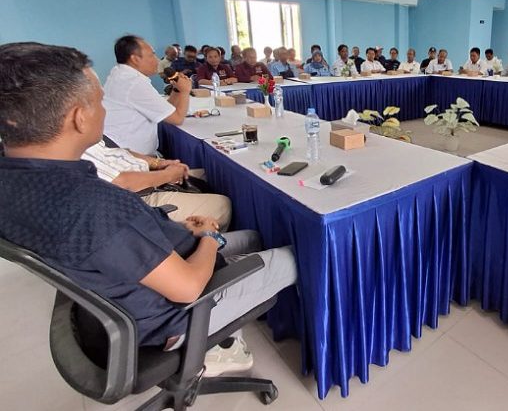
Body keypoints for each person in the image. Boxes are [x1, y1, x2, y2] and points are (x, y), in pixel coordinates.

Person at [0, 42, 297, 376]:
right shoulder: (92, 206)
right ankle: (224, 342)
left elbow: (123, 242)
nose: (105, 111)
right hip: (172, 314)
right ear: (79, 118)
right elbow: (187, 288)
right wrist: (211, 237)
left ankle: (237, 319)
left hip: (139, 277)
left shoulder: (14, 182)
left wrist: (187, 231)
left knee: (255, 237)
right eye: (99, 102)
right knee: (298, 258)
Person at [82, 139, 232, 230]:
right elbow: (121, 184)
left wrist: (158, 163)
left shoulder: (83, 137)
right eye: (98, 103)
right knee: (221, 204)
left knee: (211, 174)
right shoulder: (74, 150)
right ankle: (208, 249)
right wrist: (167, 175)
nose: (104, 109)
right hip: (139, 197)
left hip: (144, 174)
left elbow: (118, 152)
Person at [103, 35, 191, 155]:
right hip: (129, 159)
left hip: (122, 152)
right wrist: (186, 91)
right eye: (152, 55)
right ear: (135, 59)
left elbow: (166, 112)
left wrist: (177, 90)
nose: (157, 60)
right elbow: (177, 119)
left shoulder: (120, 73)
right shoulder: (134, 82)